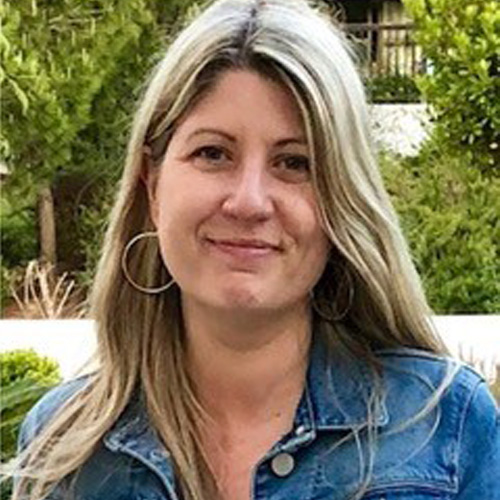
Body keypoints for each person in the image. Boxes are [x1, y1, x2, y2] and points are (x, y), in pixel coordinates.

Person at [9, 0, 499, 499]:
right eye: (213, 153)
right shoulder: (65, 452)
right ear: (152, 187)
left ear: (342, 199)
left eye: (294, 162)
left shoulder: (447, 429)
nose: (248, 202)